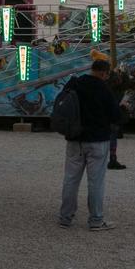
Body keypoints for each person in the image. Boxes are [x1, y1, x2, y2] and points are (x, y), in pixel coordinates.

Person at [57, 53, 119, 231]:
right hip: (98, 139)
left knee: (70, 179)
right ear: (104, 73)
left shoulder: (75, 83)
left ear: (92, 69)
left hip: (75, 139)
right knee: (95, 182)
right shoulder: (104, 89)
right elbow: (115, 115)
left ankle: (65, 217)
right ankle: (96, 220)